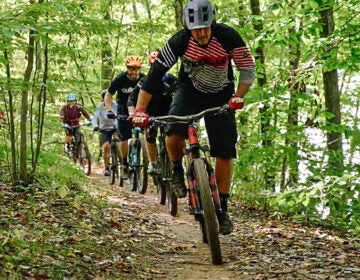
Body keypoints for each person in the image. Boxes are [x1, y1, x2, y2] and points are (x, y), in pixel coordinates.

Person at [131, 0, 255, 235]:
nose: (201, 33)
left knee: (225, 150)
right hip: (189, 90)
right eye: (196, 29)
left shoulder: (228, 36)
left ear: (212, 23)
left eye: (205, 27)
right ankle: (177, 168)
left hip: (222, 93)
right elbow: (154, 77)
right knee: (173, 128)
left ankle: (222, 209)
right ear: (188, 28)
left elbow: (247, 68)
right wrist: (139, 110)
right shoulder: (179, 41)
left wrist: (239, 96)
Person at [127, 50, 178, 176]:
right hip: (150, 115)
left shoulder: (172, 80)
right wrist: (133, 114)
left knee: (172, 135)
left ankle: (175, 166)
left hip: (168, 114)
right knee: (150, 135)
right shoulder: (144, 81)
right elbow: (132, 99)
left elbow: (182, 92)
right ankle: (152, 163)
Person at [104, 55, 145, 180]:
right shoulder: (120, 79)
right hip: (123, 110)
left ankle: (149, 162)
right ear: (127, 68)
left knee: (148, 133)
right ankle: (125, 164)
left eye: (136, 69)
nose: (134, 72)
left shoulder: (144, 78)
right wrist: (109, 110)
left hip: (139, 109)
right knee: (124, 137)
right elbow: (108, 94)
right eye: (131, 69)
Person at [92, 90, 119, 176]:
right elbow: (94, 117)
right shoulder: (100, 107)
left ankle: (123, 162)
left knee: (122, 142)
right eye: (105, 97)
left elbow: (120, 114)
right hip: (104, 129)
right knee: (106, 147)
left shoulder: (115, 105)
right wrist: (95, 126)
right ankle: (107, 168)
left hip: (115, 128)